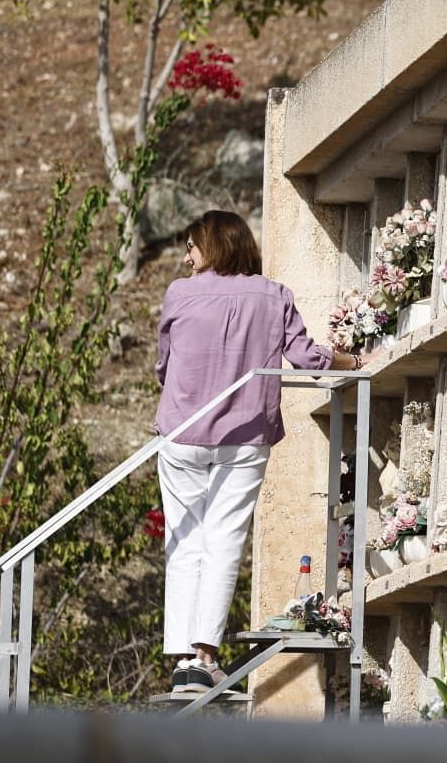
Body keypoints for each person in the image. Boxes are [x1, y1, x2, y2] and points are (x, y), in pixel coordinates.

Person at [154, 210, 361, 694]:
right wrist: (354, 360)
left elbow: (164, 366)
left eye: (191, 246)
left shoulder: (179, 295)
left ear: (215, 246)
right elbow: (307, 357)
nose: (186, 257)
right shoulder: (273, 295)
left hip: (182, 433)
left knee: (185, 544)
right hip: (243, 435)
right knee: (223, 540)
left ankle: (185, 659)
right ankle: (204, 657)